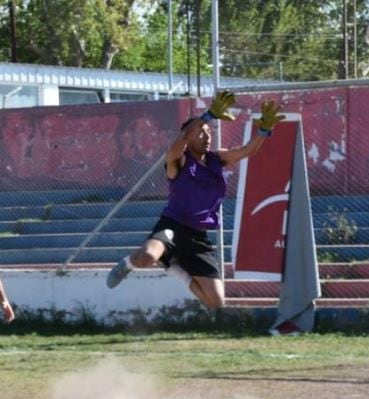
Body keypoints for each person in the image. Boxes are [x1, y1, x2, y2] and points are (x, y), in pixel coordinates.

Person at [107, 91, 285, 309]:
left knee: (216, 302)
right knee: (146, 257)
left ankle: (173, 267)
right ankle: (126, 264)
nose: (207, 136)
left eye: (209, 132)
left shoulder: (216, 159)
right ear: (189, 136)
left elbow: (248, 150)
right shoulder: (178, 160)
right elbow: (178, 144)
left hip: (198, 236)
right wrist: (207, 115)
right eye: (201, 132)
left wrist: (265, 129)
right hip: (172, 227)